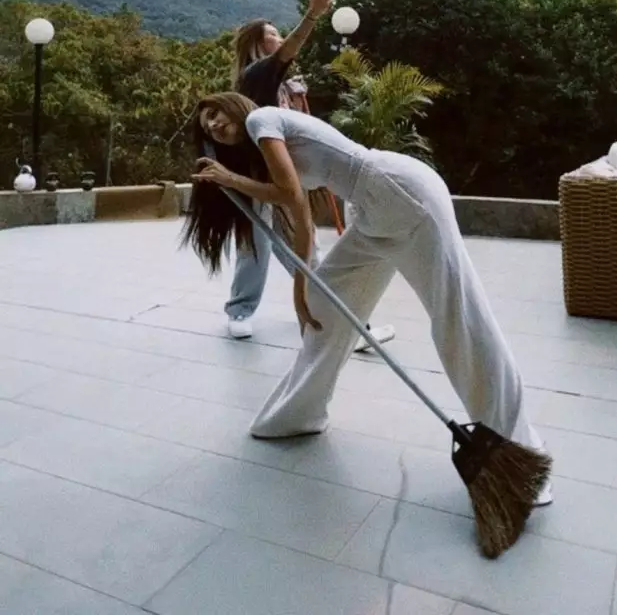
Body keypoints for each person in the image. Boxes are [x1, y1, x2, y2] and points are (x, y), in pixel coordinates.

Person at [184, 93, 552, 506]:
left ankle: (518, 448)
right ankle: (299, 413)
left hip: (400, 193)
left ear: (234, 105)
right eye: (205, 125)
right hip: (371, 208)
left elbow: (289, 193)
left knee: (458, 320)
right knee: (325, 306)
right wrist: (302, 291)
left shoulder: (262, 121)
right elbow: (302, 219)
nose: (212, 125)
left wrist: (230, 180)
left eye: (214, 113)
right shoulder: (261, 155)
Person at [226, 0, 395, 352]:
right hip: (257, 175)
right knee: (255, 244)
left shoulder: (280, 83)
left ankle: (340, 322)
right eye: (271, 34)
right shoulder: (256, 73)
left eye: (277, 33)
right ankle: (240, 311)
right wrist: (313, 14)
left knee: (303, 250)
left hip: (285, 176)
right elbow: (290, 49)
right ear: (256, 45)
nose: (278, 38)